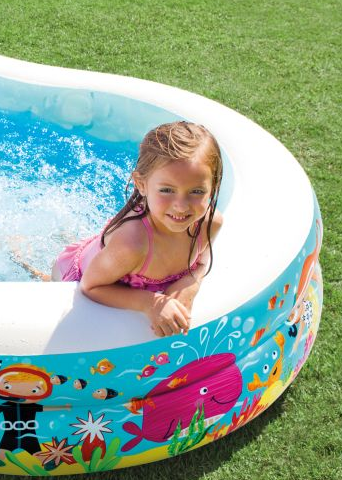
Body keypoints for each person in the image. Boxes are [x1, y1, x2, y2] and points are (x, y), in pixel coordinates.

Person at [47, 121, 224, 337]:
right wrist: (150, 303)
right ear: (141, 184)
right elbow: (89, 287)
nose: (181, 206)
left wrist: (191, 284)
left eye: (196, 191)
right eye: (167, 190)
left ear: (213, 186)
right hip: (82, 274)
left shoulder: (209, 224)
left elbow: (202, 262)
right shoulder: (132, 245)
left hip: (112, 261)